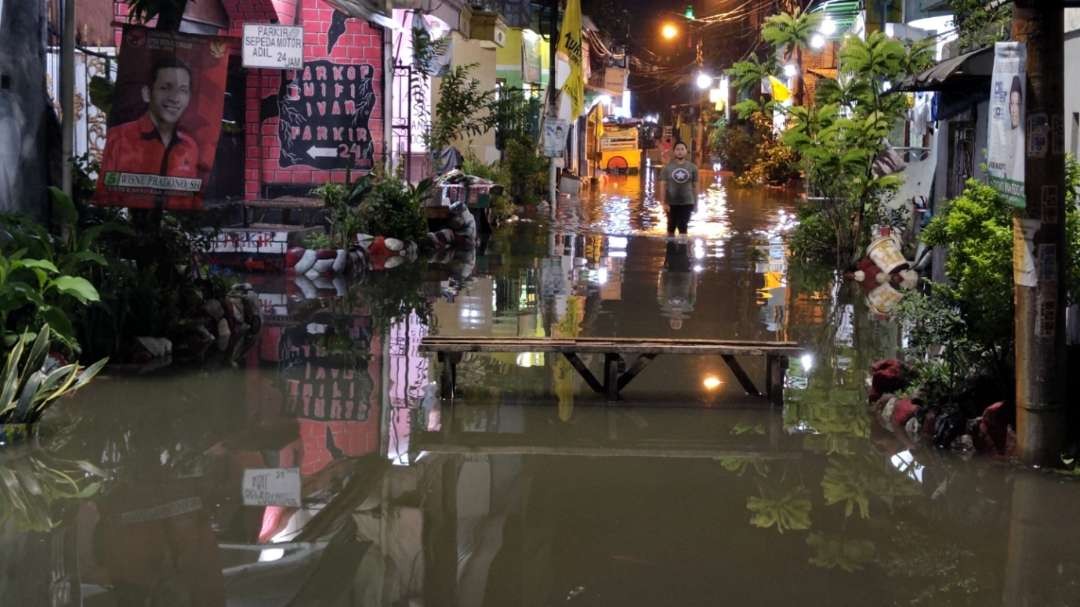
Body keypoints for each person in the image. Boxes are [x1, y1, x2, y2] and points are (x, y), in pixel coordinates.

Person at [99, 56, 200, 187]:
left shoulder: (190, 146)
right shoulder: (119, 138)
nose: (175, 98)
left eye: (183, 90)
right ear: (147, 93)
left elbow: (191, 198)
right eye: (165, 88)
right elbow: (106, 193)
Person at [658, 141, 699, 237]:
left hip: (687, 202)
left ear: (686, 151)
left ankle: (682, 249)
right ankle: (670, 249)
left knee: (683, 226)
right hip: (671, 202)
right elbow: (662, 185)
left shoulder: (693, 168)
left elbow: (696, 186)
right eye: (677, 149)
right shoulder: (667, 168)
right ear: (674, 151)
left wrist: (696, 203)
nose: (680, 151)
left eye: (682, 149)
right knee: (671, 226)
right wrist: (663, 202)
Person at [1006, 75, 1025, 180]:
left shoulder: (1024, 136)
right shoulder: (1006, 135)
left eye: (1017, 104)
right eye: (1012, 104)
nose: (1014, 110)